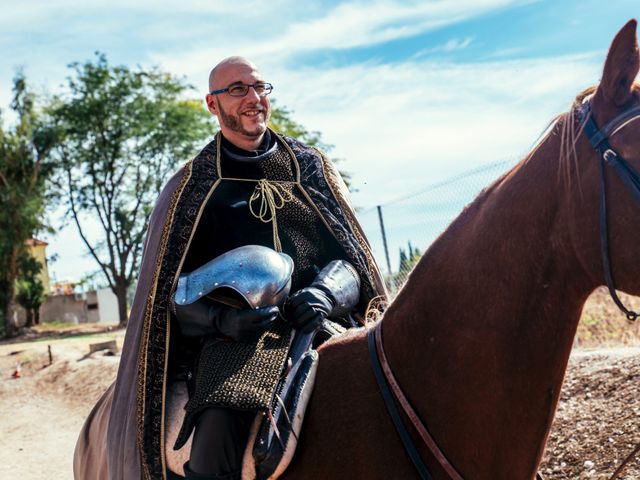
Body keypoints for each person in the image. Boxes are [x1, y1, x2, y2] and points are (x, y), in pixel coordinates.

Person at [100, 57, 387, 480]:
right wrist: (224, 320)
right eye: (238, 89)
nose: (253, 99)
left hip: (323, 322)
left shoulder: (310, 168)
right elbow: (171, 296)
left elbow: (352, 258)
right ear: (213, 105)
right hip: (236, 344)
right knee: (220, 422)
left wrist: (326, 293)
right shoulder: (193, 186)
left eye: (259, 87)